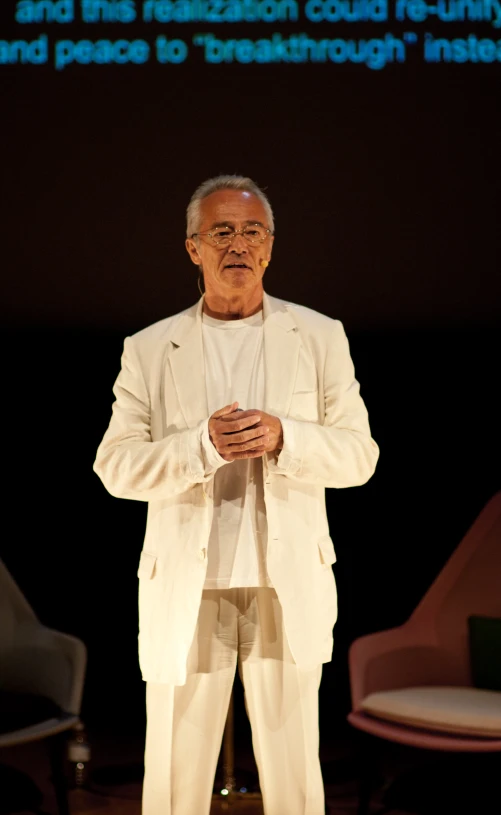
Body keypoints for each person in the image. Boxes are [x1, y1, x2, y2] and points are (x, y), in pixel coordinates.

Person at [93, 175, 379, 815]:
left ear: (271, 248)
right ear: (193, 248)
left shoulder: (319, 336)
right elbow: (114, 467)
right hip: (187, 589)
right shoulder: (148, 348)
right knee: (174, 777)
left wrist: (285, 436)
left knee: (295, 774)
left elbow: (361, 457)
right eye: (222, 230)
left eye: (253, 231)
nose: (238, 244)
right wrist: (202, 447)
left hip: (286, 583)